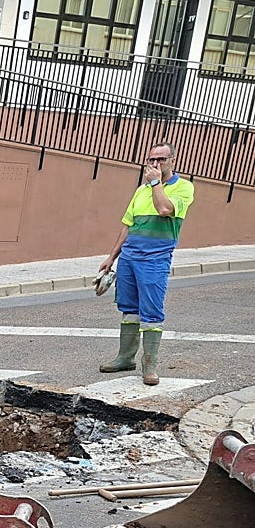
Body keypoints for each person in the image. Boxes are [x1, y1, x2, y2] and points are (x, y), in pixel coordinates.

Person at [97, 142, 194, 386]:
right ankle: (125, 358)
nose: (155, 164)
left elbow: (164, 209)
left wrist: (155, 183)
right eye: (152, 160)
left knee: (151, 311)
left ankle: (149, 366)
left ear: (173, 160)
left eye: (161, 159)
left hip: (155, 259)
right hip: (130, 257)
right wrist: (112, 257)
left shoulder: (183, 188)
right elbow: (128, 225)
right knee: (129, 310)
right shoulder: (140, 191)